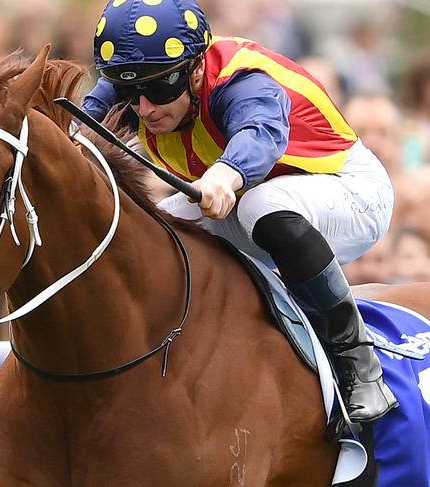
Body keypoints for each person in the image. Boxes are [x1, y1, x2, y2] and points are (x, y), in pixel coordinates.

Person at [82, 0, 396, 423]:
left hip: (350, 190)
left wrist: (225, 175)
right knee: (153, 225)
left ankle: (358, 361)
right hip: (260, 199)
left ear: (195, 68)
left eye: (158, 89)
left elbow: (259, 131)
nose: (143, 108)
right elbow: (77, 125)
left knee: (261, 205)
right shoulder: (140, 80)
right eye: (127, 89)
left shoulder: (241, 79)